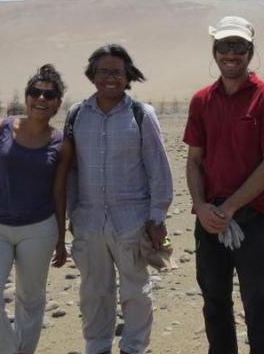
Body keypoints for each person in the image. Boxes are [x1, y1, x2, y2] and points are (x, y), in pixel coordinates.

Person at [56, 44, 173, 354]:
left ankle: (133, 347)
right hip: (89, 221)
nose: (110, 78)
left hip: (132, 222)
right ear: (92, 76)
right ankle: (97, 346)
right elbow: (70, 171)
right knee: (94, 291)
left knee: (136, 291)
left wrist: (157, 217)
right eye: (104, 71)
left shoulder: (141, 114)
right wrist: (72, 214)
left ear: (127, 77)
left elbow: (158, 168)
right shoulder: (77, 114)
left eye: (117, 72)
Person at [183, 15, 264, 354]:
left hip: (250, 219)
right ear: (214, 51)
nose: (231, 54)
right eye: (224, 46)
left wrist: (231, 208)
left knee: (257, 303)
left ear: (250, 50)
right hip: (209, 217)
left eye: (239, 46)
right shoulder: (201, 100)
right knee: (214, 302)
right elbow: (194, 159)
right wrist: (201, 207)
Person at [0, 64, 68, 354]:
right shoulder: (0, 129)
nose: (41, 98)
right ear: (26, 97)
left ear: (58, 103)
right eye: (35, 92)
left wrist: (61, 237)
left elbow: (59, 192)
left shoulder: (62, 143)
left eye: (49, 95)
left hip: (38, 229)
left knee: (31, 300)